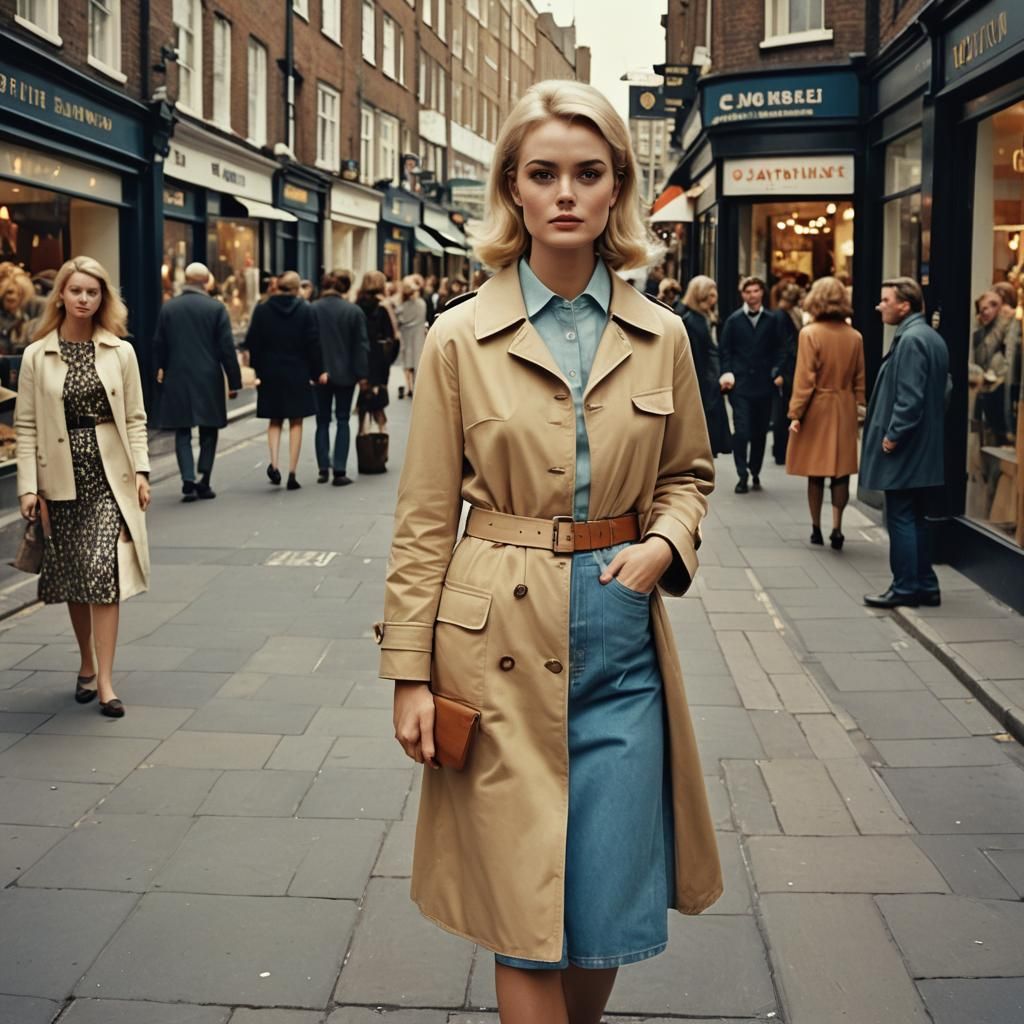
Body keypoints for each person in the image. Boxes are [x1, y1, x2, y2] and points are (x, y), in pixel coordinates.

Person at [378, 79, 721, 1023]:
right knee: (522, 911)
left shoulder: (666, 337)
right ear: (514, 190)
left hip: (621, 636)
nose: (565, 192)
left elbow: (690, 472)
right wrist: (407, 674)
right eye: (544, 173)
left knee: (604, 907)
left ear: (617, 190)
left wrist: (662, 545)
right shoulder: (458, 337)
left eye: (588, 172)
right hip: (492, 642)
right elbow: (421, 519)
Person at [15, 256, 151, 718]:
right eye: (76, 291)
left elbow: (135, 418)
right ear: (61, 295)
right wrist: (28, 488)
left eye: (93, 292)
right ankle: (86, 662)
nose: (84, 299)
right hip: (60, 474)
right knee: (77, 576)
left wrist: (142, 472)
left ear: (103, 299)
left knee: (104, 572)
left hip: (109, 474)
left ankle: (108, 683)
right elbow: (27, 425)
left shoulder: (121, 352)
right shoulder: (37, 355)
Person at [860, 277, 949, 608]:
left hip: (908, 448)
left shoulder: (911, 339)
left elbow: (909, 399)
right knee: (916, 516)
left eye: (885, 300)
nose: (879, 306)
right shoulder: (929, 337)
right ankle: (925, 584)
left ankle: (906, 587)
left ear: (905, 305)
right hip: (924, 446)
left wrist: (892, 437)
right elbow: (946, 390)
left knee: (900, 516)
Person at [785, 277, 865, 549]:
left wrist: (795, 413)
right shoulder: (855, 336)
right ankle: (838, 527)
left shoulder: (810, 333)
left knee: (815, 471)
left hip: (818, 405)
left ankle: (816, 528)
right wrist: (859, 409)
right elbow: (860, 379)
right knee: (840, 470)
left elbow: (804, 380)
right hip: (844, 405)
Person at [153, 262, 242, 502]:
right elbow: (226, 348)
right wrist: (234, 381)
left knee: (182, 429)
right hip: (208, 376)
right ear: (206, 281)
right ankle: (204, 478)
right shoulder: (216, 308)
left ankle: (187, 478)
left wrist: (159, 369)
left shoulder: (169, 308)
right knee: (209, 428)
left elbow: (159, 343)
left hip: (178, 375)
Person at [243, 270, 321, 491]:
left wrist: (258, 370)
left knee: (275, 420)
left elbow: (253, 342)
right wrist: (317, 372)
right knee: (296, 421)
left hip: (271, 371)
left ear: (278, 286)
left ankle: (275, 464)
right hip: (298, 371)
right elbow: (313, 343)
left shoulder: (263, 309)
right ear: (297, 288)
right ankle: (292, 472)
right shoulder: (306, 310)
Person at [718, 276, 786, 493]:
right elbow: (725, 351)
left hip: (765, 385)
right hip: (741, 385)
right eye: (748, 292)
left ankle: (755, 469)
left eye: (756, 291)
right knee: (742, 430)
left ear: (762, 293)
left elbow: (781, 349)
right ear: (742, 295)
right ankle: (742, 474)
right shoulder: (734, 320)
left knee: (759, 431)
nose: (752, 295)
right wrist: (727, 373)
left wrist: (777, 371)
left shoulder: (772, 320)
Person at [311, 269, 369, 486]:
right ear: (346, 287)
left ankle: (322, 468)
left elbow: (309, 342)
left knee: (322, 420)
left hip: (319, 374)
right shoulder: (353, 311)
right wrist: (362, 375)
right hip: (346, 373)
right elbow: (360, 346)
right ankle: (339, 469)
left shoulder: (313, 309)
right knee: (343, 419)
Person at [677, 275, 731, 457]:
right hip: (701, 379)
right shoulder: (690, 319)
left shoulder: (706, 316)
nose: (713, 300)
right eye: (709, 296)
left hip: (710, 378)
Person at [355, 270, 400, 430]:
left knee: (365, 399)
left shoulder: (357, 304)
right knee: (378, 401)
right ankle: (381, 439)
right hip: (379, 360)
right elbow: (393, 336)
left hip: (361, 358)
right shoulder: (384, 306)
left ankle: (363, 435)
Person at [771, 282, 804, 465]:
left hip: (790, 367)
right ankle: (780, 450)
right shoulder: (782, 316)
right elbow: (785, 344)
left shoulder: (788, 314)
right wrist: (781, 371)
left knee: (784, 410)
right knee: (783, 411)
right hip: (787, 369)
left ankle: (782, 449)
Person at [396, 275, 427, 400]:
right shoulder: (422, 304)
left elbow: (399, 318)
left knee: (407, 361)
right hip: (418, 335)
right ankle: (415, 387)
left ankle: (409, 386)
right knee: (417, 361)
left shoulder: (403, 306)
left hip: (406, 335)